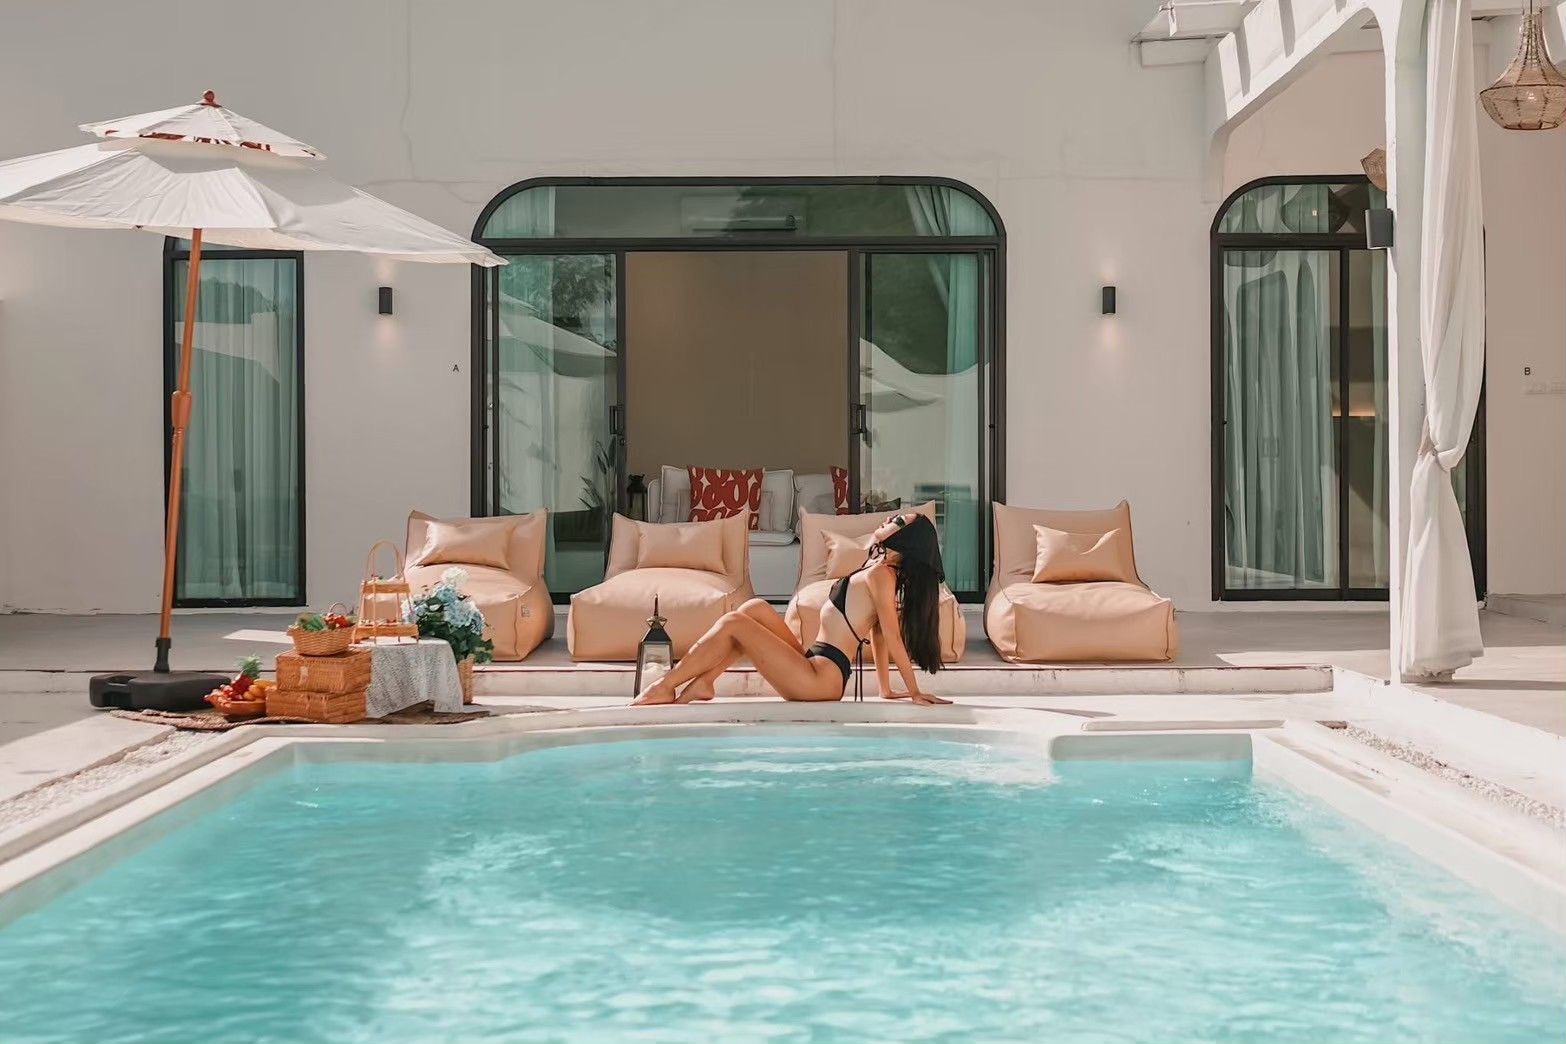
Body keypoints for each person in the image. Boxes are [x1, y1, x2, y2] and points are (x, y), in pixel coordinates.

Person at [631, 513, 951, 706]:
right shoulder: (878, 569)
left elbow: (892, 637)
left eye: (897, 522)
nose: (887, 520)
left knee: (735, 623)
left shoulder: (883, 575)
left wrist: (913, 692)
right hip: (814, 665)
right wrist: (886, 690)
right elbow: (879, 634)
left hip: (819, 680)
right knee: (754, 608)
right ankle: (704, 682)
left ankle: (666, 685)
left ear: (907, 541)